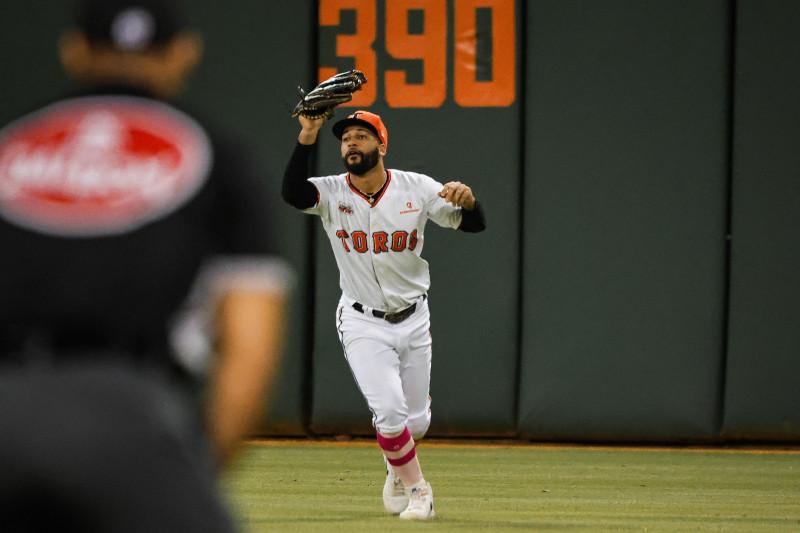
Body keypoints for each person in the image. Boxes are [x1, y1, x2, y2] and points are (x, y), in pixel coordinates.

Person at [0, 0, 291, 531]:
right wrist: (194, 469)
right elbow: (249, 344)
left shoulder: (10, 143)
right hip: (129, 414)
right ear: (184, 53)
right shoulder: (218, 158)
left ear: (73, 50)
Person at [282, 109, 486, 520]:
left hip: (414, 318)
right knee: (390, 414)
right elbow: (293, 193)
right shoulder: (333, 192)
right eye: (346, 138)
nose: (352, 143)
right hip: (361, 320)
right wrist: (308, 134)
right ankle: (419, 492)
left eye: (362, 136)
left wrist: (469, 201)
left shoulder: (416, 187)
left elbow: (472, 224)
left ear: (382, 145)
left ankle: (396, 464)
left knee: (416, 423)